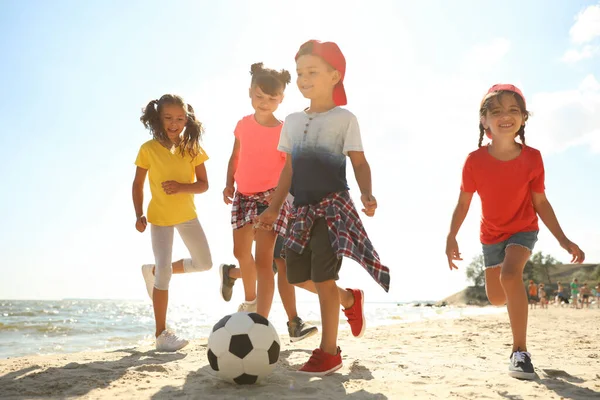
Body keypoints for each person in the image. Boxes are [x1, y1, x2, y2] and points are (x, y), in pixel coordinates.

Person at [256, 40, 390, 376]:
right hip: (299, 209)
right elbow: (288, 170)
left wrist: (367, 193)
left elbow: (359, 161)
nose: (303, 78)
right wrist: (273, 208)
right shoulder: (290, 120)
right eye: (300, 73)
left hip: (333, 208)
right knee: (295, 274)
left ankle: (329, 352)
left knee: (325, 277)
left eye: (311, 71)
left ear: (334, 75)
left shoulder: (345, 118)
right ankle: (348, 300)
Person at [445, 84, 585, 380]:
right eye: (496, 111)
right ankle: (514, 298)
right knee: (496, 296)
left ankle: (520, 352)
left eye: (513, 110)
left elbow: (541, 202)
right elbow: (463, 203)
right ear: (484, 121)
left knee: (511, 276)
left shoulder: (533, 158)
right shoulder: (474, 161)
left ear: (523, 117)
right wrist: (451, 236)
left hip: (523, 230)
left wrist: (562, 239)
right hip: (490, 236)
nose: (505, 116)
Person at [133, 94, 213, 351]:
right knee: (165, 274)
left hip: (187, 216)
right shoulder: (147, 149)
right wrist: (138, 214)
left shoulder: (192, 148)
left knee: (205, 263)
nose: (174, 123)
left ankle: (154, 270)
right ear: (158, 118)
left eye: (179, 118)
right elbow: (137, 184)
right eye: (168, 118)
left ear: (187, 120)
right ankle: (161, 334)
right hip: (159, 218)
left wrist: (181, 187)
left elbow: (203, 185)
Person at [221, 192, 318, 341]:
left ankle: (231, 273)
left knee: (272, 268)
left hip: (291, 210)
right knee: (280, 263)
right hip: (274, 207)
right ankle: (294, 323)